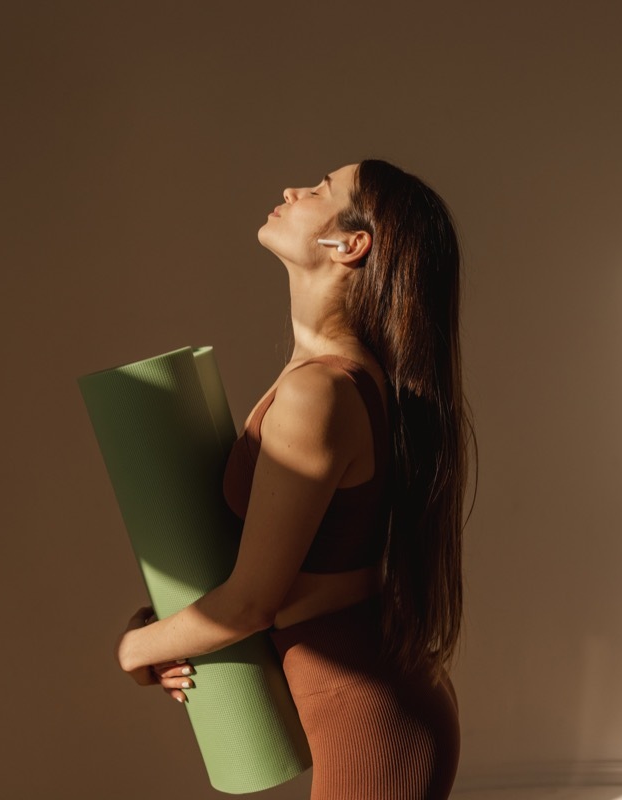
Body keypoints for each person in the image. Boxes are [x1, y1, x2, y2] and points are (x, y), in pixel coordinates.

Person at [115, 160, 471, 799]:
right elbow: (262, 568)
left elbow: (252, 603)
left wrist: (133, 649)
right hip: (367, 704)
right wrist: (165, 627)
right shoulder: (326, 376)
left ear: (349, 244)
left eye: (320, 190)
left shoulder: (319, 392)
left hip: (371, 724)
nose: (291, 190)